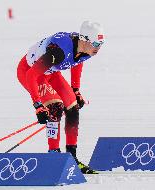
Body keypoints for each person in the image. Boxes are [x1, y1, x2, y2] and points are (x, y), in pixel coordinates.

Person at [17, 21, 105, 174]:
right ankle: (54, 156)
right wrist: (38, 105)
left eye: (101, 43)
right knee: (56, 107)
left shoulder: (87, 48)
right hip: (30, 72)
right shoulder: (59, 51)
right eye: (96, 43)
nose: (98, 47)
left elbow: (78, 61)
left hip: (51, 72)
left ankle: (71, 158)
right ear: (84, 39)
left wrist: (76, 90)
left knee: (73, 107)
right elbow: (32, 75)